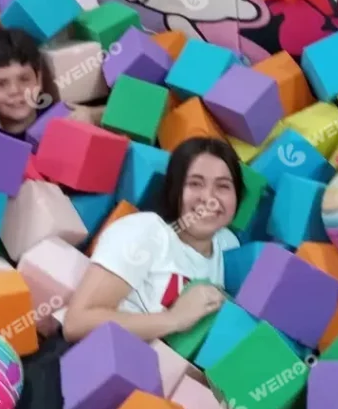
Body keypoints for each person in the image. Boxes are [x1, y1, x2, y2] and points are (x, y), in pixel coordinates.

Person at [63, 137, 243, 343]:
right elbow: (76, 323)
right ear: (176, 190)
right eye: (195, 183)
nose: (209, 198)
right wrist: (174, 319)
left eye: (223, 186)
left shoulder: (228, 245)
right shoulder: (145, 232)